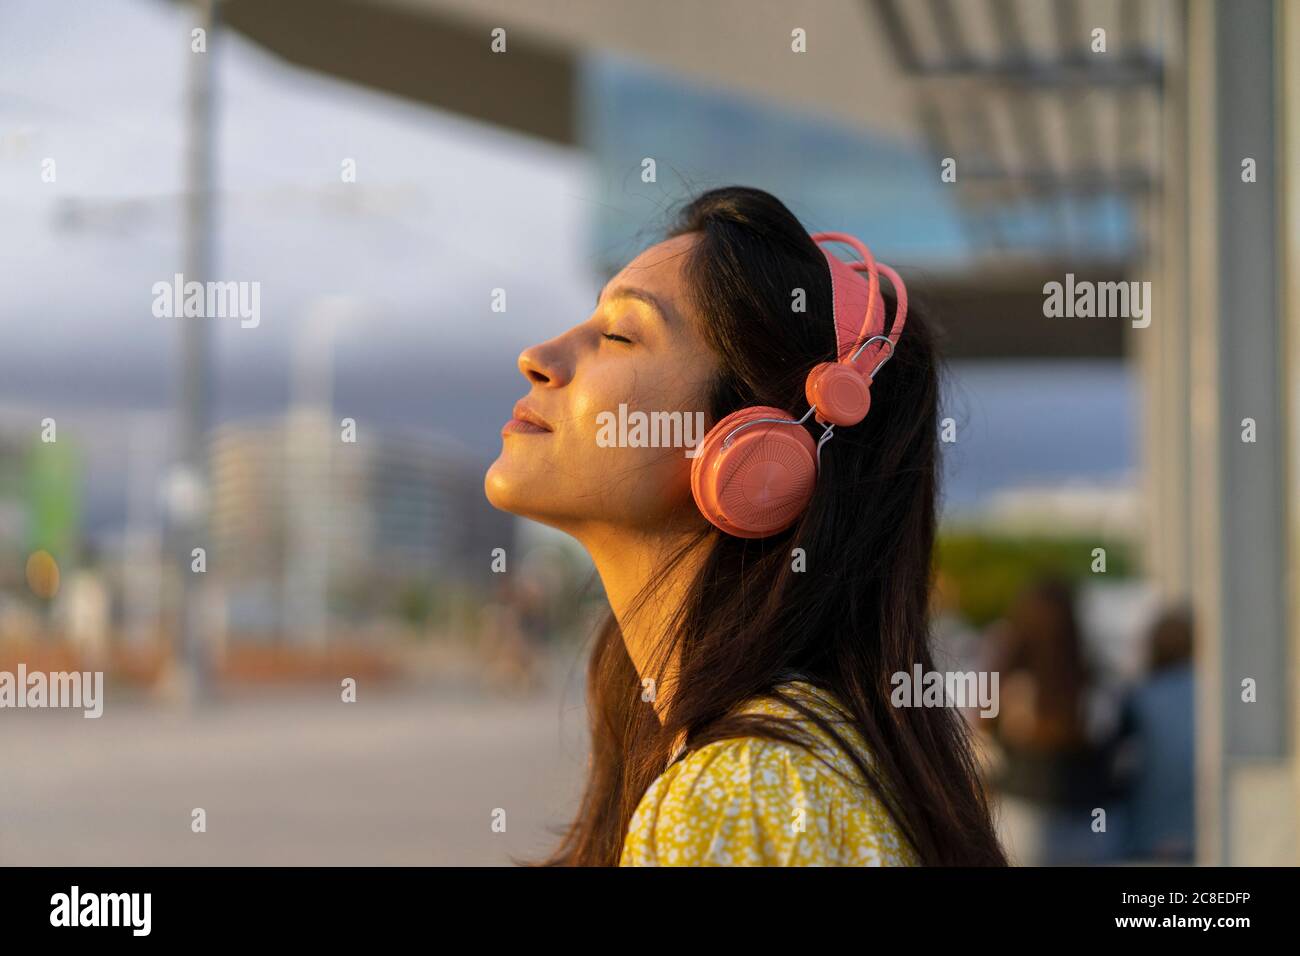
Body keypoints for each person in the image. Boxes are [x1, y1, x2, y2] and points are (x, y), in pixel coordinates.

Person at [484, 186, 1006, 866]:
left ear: (759, 452)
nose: (537, 355)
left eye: (620, 333)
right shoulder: (809, 758)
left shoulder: (736, 793)